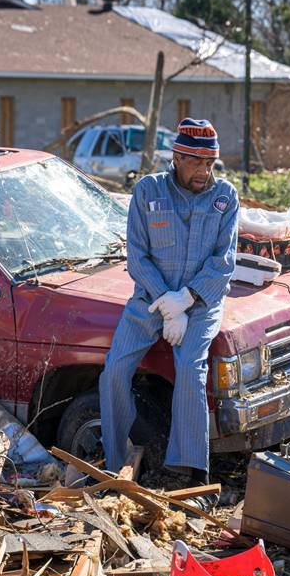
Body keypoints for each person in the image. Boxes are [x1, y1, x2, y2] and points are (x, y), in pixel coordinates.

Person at [99, 118, 238, 493]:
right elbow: (137, 258)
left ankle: (193, 471)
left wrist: (186, 300)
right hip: (149, 300)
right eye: (196, 161)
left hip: (199, 303)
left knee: (191, 371)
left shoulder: (225, 197)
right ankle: (115, 461)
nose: (204, 171)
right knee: (114, 370)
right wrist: (166, 305)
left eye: (210, 162)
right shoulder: (147, 192)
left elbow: (223, 262)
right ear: (176, 156)